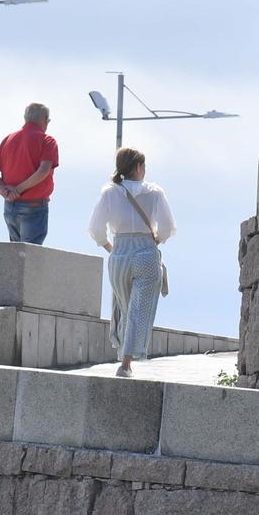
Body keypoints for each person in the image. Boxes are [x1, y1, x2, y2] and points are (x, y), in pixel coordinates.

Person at [87, 147, 175, 379]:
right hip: (146, 252)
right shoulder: (155, 192)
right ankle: (126, 363)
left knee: (124, 307)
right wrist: (157, 238)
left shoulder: (109, 192)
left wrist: (108, 246)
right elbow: (167, 227)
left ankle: (124, 358)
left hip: (120, 253)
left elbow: (95, 228)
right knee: (139, 310)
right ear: (138, 167)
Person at [0, 103, 59, 244]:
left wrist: (5, 191)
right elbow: (43, 171)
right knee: (30, 256)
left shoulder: (8, 139)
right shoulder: (47, 141)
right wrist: (18, 190)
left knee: (16, 256)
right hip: (34, 206)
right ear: (45, 120)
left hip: (10, 206)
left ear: (25, 118)